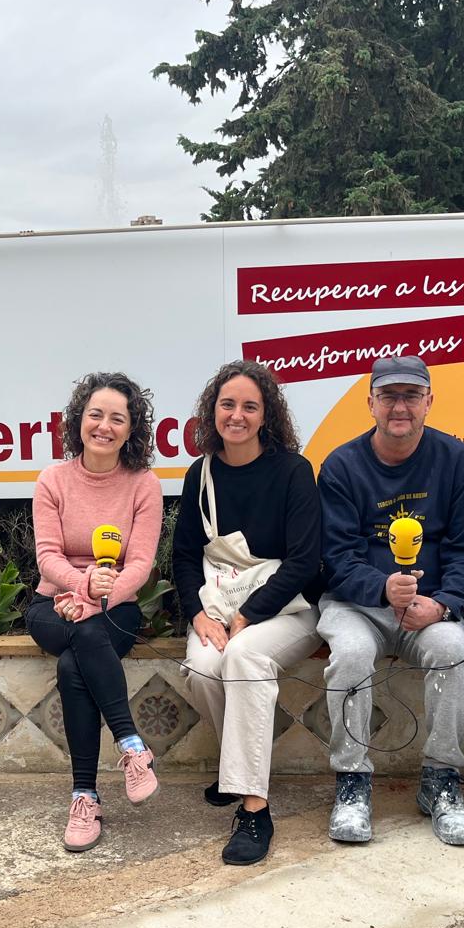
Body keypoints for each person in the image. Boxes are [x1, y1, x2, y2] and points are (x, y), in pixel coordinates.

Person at [316, 355, 464, 847]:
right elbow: (335, 554)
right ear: (369, 402)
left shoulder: (458, 462)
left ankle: (440, 781)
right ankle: (352, 783)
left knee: (451, 650)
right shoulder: (342, 466)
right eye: (389, 396)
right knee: (349, 654)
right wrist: (380, 588)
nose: (400, 407)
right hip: (357, 604)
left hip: (430, 605)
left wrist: (444, 603)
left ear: (429, 402)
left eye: (411, 396)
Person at [174, 360, 323, 866]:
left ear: (266, 416)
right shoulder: (201, 473)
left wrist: (249, 616)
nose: (236, 415)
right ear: (212, 411)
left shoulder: (293, 472)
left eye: (249, 406)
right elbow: (183, 554)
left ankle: (254, 809)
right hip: (219, 601)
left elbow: (305, 560)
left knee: (243, 658)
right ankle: (239, 765)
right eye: (227, 404)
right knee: (200, 668)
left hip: (288, 608)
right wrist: (197, 613)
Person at [28, 371, 164, 853]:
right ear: (78, 420)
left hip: (116, 606)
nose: (104, 426)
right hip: (53, 602)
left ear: (131, 429)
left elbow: (142, 564)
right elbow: (46, 557)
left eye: (117, 418)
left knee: (75, 660)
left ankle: (85, 795)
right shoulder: (53, 480)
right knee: (80, 636)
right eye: (95, 415)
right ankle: (132, 745)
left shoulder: (143, 484)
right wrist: (82, 584)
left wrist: (96, 599)